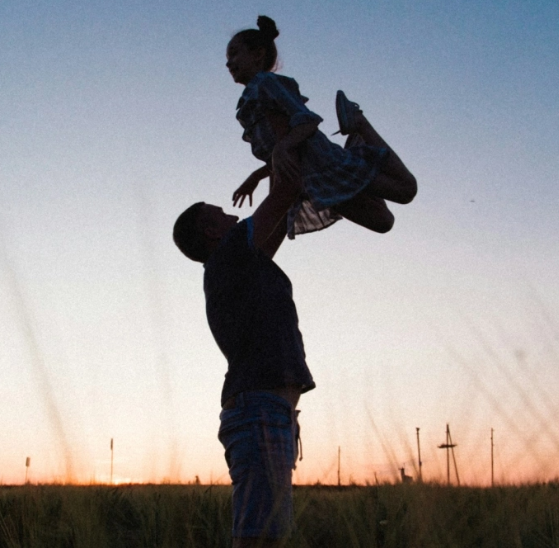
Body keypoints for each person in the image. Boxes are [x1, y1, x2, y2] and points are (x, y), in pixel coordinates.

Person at [174, 146, 312, 547]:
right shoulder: (232, 252)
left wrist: (269, 171)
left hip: (267, 412)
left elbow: (284, 203)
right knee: (260, 539)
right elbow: (286, 192)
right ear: (211, 231)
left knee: (268, 536)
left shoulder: (240, 262)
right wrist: (268, 166)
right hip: (260, 413)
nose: (235, 217)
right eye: (223, 215)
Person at [228, 15, 418, 237]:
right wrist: (257, 176)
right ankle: (357, 153)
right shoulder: (248, 104)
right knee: (383, 222)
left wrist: (282, 148)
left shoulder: (267, 83)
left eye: (234, 53)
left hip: (326, 164)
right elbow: (282, 155)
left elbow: (307, 120)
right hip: (312, 180)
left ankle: (359, 122)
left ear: (258, 54)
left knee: (406, 190)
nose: (228, 63)